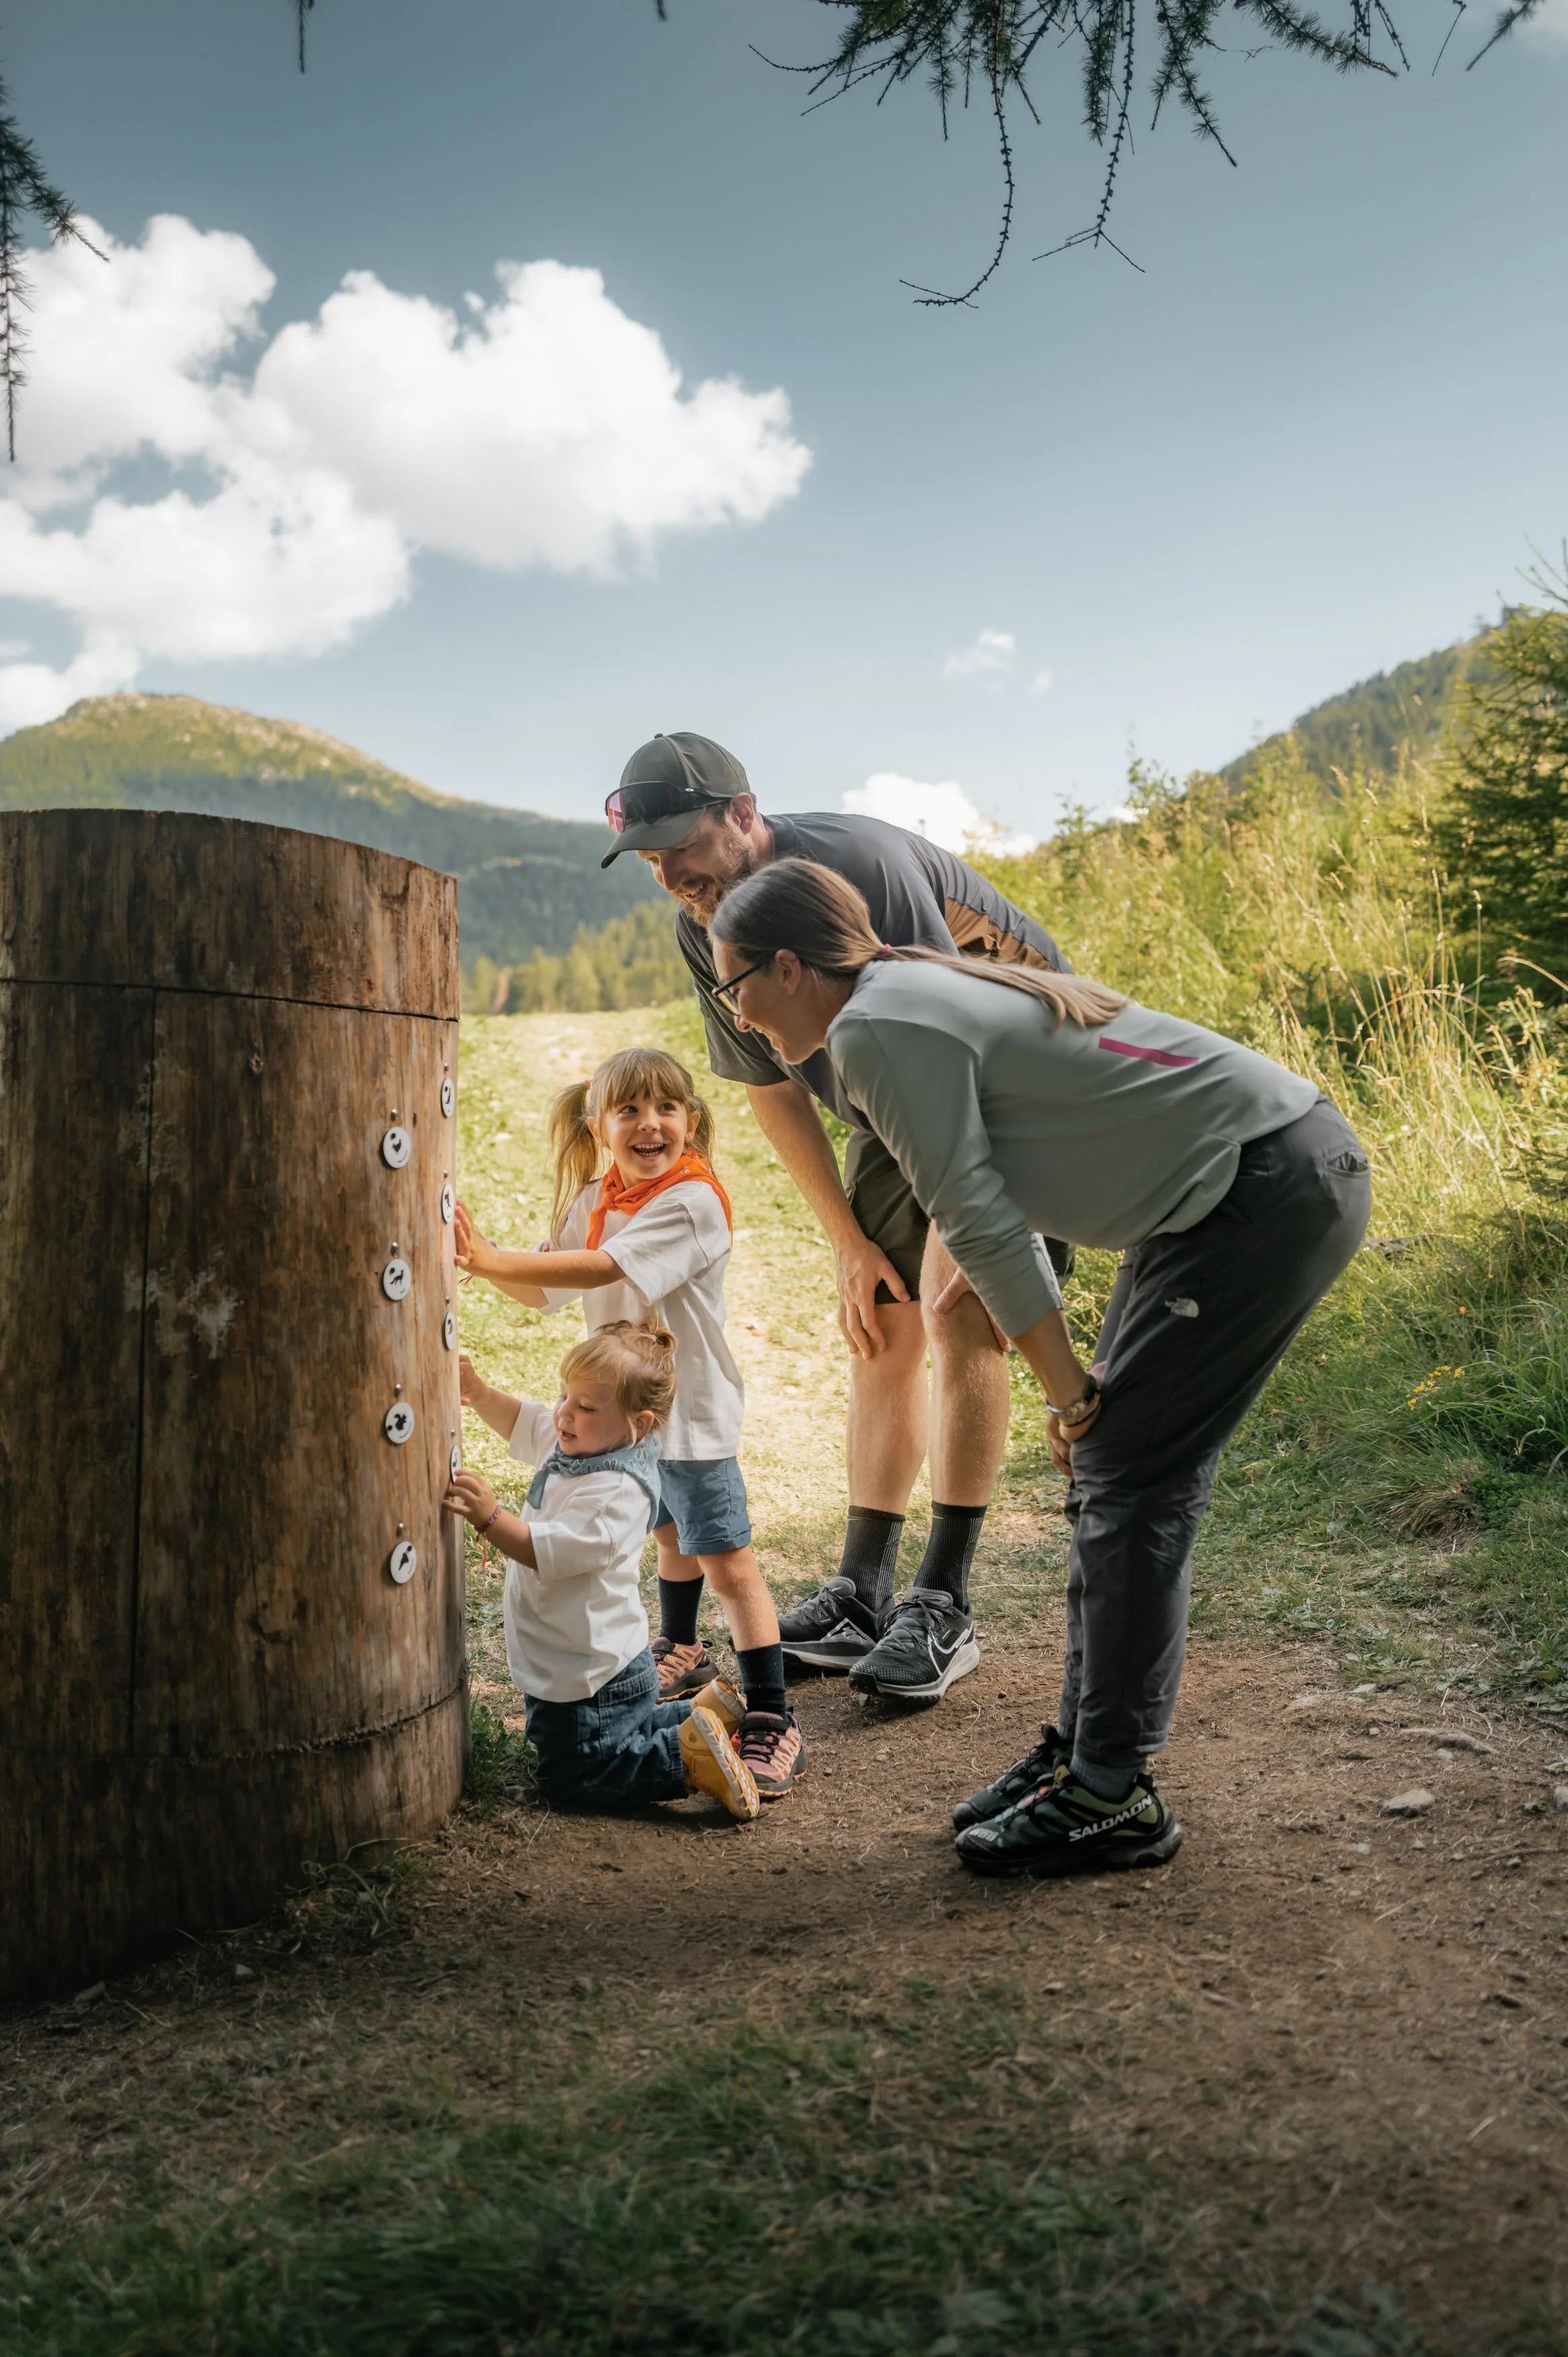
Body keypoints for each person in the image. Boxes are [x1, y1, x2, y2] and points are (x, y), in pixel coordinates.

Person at [707, 858, 1371, 1877]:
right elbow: (987, 1193)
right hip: (1229, 1188)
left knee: (1129, 1478)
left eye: (734, 983)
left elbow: (975, 1217)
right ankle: (1083, 1757)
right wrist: (1071, 1386)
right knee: (1121, 1478)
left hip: (1262, 1186)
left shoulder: (874, 1025)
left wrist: (1071, 1396)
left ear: (790, 966)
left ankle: (1112, 1793)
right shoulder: (907, 987)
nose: (737, 1014)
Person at [601, 730, 1072, 1705]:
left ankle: (942, 1602)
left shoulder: (857, 867)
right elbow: (769, 1083)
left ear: (742, 813)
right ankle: (863, 1590)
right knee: (880, 1318)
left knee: (957, 1308)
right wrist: (849, 1242)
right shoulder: (707, 922)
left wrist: (961, 1226)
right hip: (890, 1099)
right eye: (649, 858)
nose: (669, 873)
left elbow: (956, 1039)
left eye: (679, 844)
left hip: (1016, 1081)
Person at [452, 1046, 804, 1799]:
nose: (651, 1125)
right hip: (631, 1422)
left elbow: (604, 1269)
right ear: (598, 1124)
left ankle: (772, 1711)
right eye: (630, 1110)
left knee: (726, 1559)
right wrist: (480, 1266)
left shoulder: (692, 1198)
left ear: (692, 1120)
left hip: (693, 1416)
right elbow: (544, 1293)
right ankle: (681, 1648)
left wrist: (486, 1256)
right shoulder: (597, 1194)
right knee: (668, 1534)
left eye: (666, 1108)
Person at [446, 1320, 761, 1822]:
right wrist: (479, 1392)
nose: (564, 1414)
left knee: (576, 1776)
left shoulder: (615, 1494)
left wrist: (490, 1518)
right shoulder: (586, 1442)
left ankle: (685, 1759)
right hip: (596, 1660)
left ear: (636, 1424)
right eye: (564, 1397)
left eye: (585, 1407)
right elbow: (523, 1421)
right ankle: (701, 1714)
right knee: (618, 1731)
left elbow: (546, 1551)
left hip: (589, 1672)